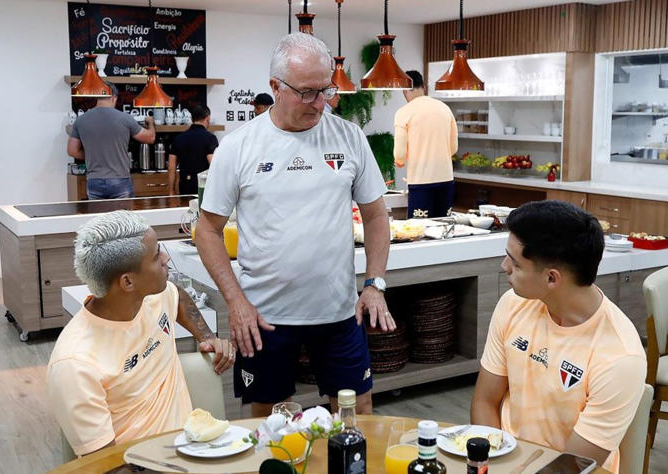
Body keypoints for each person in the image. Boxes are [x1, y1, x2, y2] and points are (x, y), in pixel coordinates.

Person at [196, 32, 394, 417]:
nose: (320, 103)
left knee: (359, 413)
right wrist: (235, 302)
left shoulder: (348, 136)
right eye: (307, 92)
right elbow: (206, 229)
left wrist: (374, 284)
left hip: (339, 312)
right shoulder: (239, 147)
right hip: (264, 318)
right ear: (275, 86)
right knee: (270, 421)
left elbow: (375, 214)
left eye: (326, 90)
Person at [470, 200, 646, 473]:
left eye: (515, 263)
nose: (504, 266)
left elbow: (571, 467)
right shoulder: (513, 304)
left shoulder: (619, 357)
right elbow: (484, 402)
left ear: (552, 278)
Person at [47, 210, 235, 456]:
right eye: (157, 255)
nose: (166, 258)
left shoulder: (154, 297)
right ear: (127, 282)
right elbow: (104, 465)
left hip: (192, 451)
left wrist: (206, 336)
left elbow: (177, 296)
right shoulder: (75, 364)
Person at [67, 82, 156, 200]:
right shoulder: (125, 118)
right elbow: (150, 138)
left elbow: (72, 151)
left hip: (94, 180)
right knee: (122, 218)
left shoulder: (81, 120)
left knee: (100, 218)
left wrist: (92, 155)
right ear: (114, 98)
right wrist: (150, 122)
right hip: (120, 180)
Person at [393, 70, 458, 218]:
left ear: (404, 90)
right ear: (423, 87)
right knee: (444, 227)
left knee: (420, 232)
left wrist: (400, 161)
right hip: (446, 180)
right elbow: (453, 148)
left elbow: (400, 154)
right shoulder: (444, 108)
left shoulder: (404, 112)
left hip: (421, 180)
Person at [168, 104, 219, 195]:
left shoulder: (178, 138)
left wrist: (171, 191)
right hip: (204, 187)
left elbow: (171, 168)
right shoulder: (210, 138)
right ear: (207, 118)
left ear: (192, 118)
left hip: (184, 186)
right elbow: (214, 165)